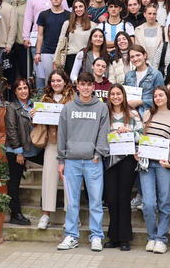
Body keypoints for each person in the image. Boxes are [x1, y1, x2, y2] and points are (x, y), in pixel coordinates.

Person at [56, 72, 111, 252]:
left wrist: (97, 155)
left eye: (89, 84)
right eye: (83, 84)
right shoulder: (68, 108)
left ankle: (96, 236)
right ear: (77, 86)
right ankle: (71, 236)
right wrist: (61, 159)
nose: (86, 88)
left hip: (92, 162)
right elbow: (62, 135)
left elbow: (104, 134)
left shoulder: (101, 108)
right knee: (72, 201)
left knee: (95, 201)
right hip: (71, 161)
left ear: (93, 86)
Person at [139, 85, 170, 254]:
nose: (158, 98)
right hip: (146, 164)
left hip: (164, 165)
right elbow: (142, 138)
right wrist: (138, 153)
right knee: (148, 204)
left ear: (168, 97)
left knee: (164, 202)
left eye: (161, 95)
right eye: (155, 96)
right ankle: (151, 237)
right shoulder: (147, 114)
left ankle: (161, 239)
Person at [104, 83, 143, 250]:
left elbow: (142, 136)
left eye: (118, 93)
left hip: (128, 159)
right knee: (111, 198)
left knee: (123, 196)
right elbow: (98, 136)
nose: (115, 97)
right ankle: (113, 237)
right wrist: (109, 135)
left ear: (123, 95)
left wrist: (129, 132)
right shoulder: (105, 114)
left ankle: (125, 238)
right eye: (112, 94)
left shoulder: (133, 113)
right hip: (110, 159)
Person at [34, 69, 74, 230]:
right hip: (51, 143)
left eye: (59, 80)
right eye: (53, 81)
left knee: (69, 181)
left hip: (70, 145)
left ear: (65, 81)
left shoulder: (73, 98)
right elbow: (39, 121)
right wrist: (34, 115)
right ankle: (46, 215)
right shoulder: (45, 98)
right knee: (49, 178)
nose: (56, 83)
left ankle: (71, 216)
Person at [5, 77, 44, 226]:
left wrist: (37, 117)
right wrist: (19, 153)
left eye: (25, 88)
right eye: (19, 88)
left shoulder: (34, 106)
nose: (23, 91)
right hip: (16, 150)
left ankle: (46, 199)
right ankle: (15, 214)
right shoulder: (12, 107)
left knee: (52, 164)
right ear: (15, 91)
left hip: (33, 148)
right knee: (14, 181)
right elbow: (12, 131)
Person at [34, 0, 70, 85]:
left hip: (63, 52)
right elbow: (40, 35)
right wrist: (38, 52)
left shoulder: (69, 15)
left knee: (64, 80)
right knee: (50, 80)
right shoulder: (43, 15)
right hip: (47, 51)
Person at [23, 0, 54, 67]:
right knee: (39, 69)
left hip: (55, 36)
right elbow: (28, 18)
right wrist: (26, 37)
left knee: (55, 69)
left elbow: (67, 18)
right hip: (37, 37)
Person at [122, 44, 164, 113]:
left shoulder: (156, 74)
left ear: (145, 55)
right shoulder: (128, 75)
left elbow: (161, 99)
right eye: (132, 57)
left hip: (149, 114)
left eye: (138, 55)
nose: (135, 59)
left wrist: (140, 102)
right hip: (131, 114)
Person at [61, 0, 95, 75]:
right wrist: (55, 61)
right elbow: (61, 42)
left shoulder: (92, 25)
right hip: (70, 58)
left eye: (80, 6)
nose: (78, 9)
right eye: (75, 7)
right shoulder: (67, 24)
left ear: (85, 8)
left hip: (86, 58)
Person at [7, 0, 29, 83]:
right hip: (9, 45)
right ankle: (9, 97)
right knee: (9, 73)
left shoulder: (29, 6)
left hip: (23, 44)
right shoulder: (9, 6)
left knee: (24, 72)